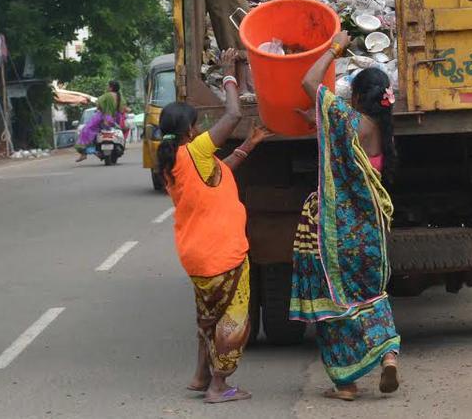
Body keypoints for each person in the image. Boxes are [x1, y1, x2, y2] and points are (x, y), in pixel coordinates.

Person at [156, 48, 271, 404]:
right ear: (191, 129)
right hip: (223, 253)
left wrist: (248, 147)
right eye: (197, 125)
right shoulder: (195, 151)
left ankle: (200, 376)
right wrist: (229, 73)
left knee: (207, 317)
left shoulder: (173, 161)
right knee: (234, 320)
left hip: (196, 255)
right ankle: (219, 387)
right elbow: (234, 113)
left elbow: (217, 177)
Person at [290, 34, 401, 401]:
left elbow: (308, 82)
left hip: (335, 233)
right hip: (371, 232)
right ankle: (388, 355)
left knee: (332, 302)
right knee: (374, 294)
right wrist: (318, 118)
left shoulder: (345, 118)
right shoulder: (382, 131)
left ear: (354, 97)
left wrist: (334, 47)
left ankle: (346, 383)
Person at [74, 80, 128, 162]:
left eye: (108, 86)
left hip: (103, 118)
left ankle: (83, 153)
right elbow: (123, 109)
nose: (107, 87)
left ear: (111, 87)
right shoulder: (120, 97)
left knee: (86, 131)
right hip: (115, 119)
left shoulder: (106, 96)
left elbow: (99, 105)